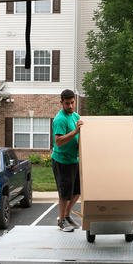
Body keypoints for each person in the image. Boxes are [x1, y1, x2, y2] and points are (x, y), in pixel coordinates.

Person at [51, 89, 84, 232]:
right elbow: (58, 141)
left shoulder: (76, 116)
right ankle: (61, 221)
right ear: (61, 103)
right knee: (64, 194)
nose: (70, 106)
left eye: (72, 103)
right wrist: (75, 132)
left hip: (73, 160)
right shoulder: (60, 119)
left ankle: (67, 215)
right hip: (62, 162)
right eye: (67, 103)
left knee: (77, 192)